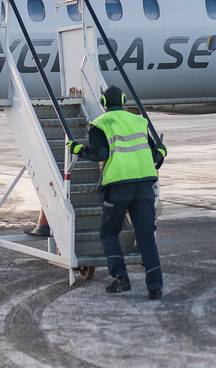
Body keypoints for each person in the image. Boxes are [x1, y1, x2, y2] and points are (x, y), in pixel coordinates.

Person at [68, 85, 167, 299]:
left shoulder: (100, 124)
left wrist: (77, 149)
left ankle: (121, 278)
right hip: (144, 185)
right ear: (123, 100)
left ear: (103, 102)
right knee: (146, 237)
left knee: (109, 232)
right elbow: (154, 154)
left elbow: (100, 153)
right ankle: (155, 286)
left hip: (118, 185)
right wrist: (161, 151)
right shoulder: (139, 121)